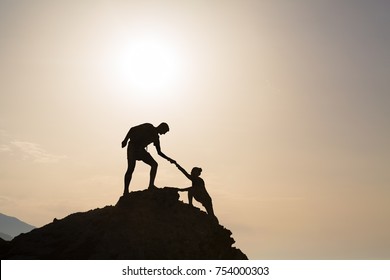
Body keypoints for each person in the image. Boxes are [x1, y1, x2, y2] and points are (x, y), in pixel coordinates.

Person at [121, 122, 175, 195]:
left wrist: (169, 159)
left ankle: (151, 185)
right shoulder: (148, 126)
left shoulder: (156, 138)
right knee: (130, 169)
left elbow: (159, 152)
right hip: (132, 147)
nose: (164, 134)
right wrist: (125, 140)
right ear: (161, 128)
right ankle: (125, 191)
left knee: (154, 165)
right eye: (164, 131)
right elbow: (132, 129)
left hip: (141, 151)